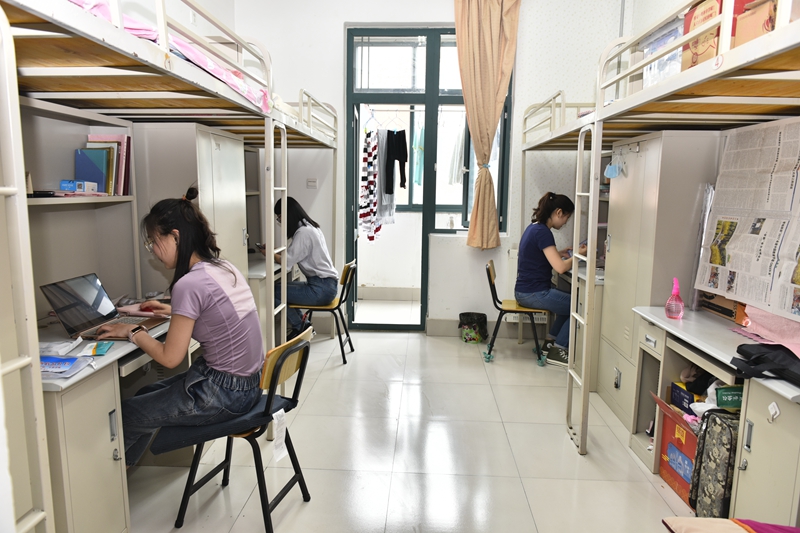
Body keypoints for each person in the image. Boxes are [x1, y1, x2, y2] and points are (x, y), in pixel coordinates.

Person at [97, 186, 265, 467]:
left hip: (223, 393)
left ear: (175, 236)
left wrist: (133, 331)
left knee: (128, 414)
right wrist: (172, 310)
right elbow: (217, 312)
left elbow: (170, 358)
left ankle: (112, 485)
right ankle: (122, 475)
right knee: (144, 394)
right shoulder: (223, 268)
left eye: (154, 242)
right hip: (249, 384)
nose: (153, 251)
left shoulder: (189, 284)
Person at [515, 192, 586, 367]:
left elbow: (539, 255)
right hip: (533, 293)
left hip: (526, 290)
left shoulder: (534, 227)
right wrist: (578, 255)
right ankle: (558, 350)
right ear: (559, 212)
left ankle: (549, 343)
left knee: (567, 304)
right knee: (579, 306)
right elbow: (560, 268)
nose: (565, 223)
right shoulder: (543, 232)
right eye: (566, 218)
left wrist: (559, 252)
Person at [264, 197, 338, 339]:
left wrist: (270, 254)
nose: (280, 221)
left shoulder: (303, 233)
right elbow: (293, 253)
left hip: (320, 289)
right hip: (326, 286)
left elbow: (286, 262)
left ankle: (300, 327)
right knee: (280, 288)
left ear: (287, 215)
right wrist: (274, 250)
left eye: (279, 217)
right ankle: (304, 325)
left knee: (274, 292)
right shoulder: (311, 228)